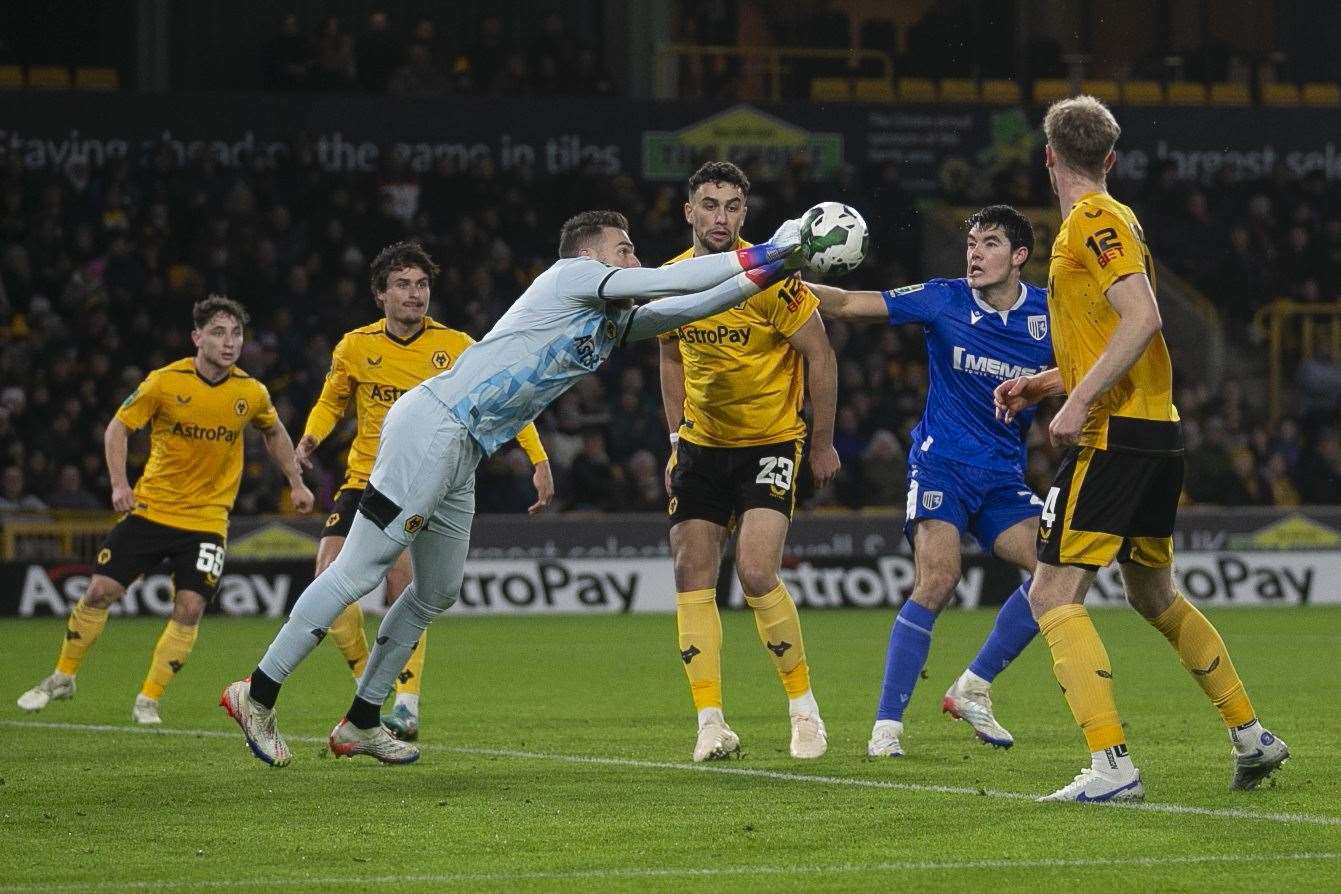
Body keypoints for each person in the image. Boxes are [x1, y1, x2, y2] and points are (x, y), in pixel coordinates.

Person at [221, 209, 805, 766]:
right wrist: (769, 247)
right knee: (358, 571)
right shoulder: (570, 276)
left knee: (435, 591)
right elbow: (672, 278)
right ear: (589, 254)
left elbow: (694, 302)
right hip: (435, 423)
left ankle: (362, 720)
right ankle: (259, 691)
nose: (635, 259)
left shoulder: (611, 319)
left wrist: (777, 267)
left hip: (465, 447)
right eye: (624, 249)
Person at [994, 95, 1287, 802]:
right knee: (1152, 593)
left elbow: (1143, 318)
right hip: (1153, 431)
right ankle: (1251, 735)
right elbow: (1115, 336)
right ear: (1110, 157)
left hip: (1114, 437)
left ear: (1048, 157)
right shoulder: (1113, 220)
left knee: (1051, 591)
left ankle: (1111, 765)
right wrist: (1047, 381)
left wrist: (1078, 400)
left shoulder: (1094, 219)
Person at [810, 205, 1052, 757]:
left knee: (1055, 572)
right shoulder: (943, 297)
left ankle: (973, 687)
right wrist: (784, 281)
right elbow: (848, 303)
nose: (975, 253)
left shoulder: (1049, 316)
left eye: (990, 243)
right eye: (971, 243)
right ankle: (886, 728)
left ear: (1019, 256)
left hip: (1002, 478)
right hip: (941, 464)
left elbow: (1092, 365)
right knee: (939, 577)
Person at [296, 241, 552, 742]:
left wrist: (538, 458)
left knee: (401, 586)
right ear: (380, 295)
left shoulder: (456, 346)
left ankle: (406, 705)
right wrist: (311, 436)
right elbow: (331, 403)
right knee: (327, 579)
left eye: (421, 285)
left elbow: (505, 398)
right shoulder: (354, 347)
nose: (414, 295)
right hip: (363, 479)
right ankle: (370, 682)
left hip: (422, 481)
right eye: (402, 285)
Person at [17, 296, 314, 723]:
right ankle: (63, 676)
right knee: (100, 592)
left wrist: (296, 482)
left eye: (236, 334)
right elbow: (117, 428)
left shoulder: (250, 392)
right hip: (152, 510)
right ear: (197, 338)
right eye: (218, 332)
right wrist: (120, 483)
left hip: (208, 520)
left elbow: (275, 431)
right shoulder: (163, 382)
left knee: (190, 606)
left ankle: (149, 698)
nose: (229, 343)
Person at [660, 161, 839, 762]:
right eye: (710, 205)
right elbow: (669, 358)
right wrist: (674, 436)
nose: (720, 217)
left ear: (745, 214)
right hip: (702, 445)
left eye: (733, 207)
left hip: (770, 441)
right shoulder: (670, 281)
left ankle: (804, 710)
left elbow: (820, 354)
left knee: (757, 571)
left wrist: (821, 443)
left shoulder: (770, 277)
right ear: (688, 210)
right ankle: (710, 722)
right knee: (691, 572)